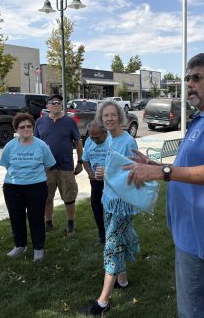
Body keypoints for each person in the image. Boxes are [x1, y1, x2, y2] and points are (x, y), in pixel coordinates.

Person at [127, 53, 204, 318]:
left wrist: (164, 173)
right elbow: (192, 164)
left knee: (193, 310)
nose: (189, 84)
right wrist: (155, 166)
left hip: (201, 236)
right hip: (189, 231)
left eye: (197, 78)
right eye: (187, 78)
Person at [80, 101, 140, 316]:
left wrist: (109, 173)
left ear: (120, 117)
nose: (109, 118)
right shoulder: (110, 140)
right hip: (109, 200)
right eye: (105, 115)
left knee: (112, 246)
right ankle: (122, 281)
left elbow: (136, 173)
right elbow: (112, 169)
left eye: (113, 115)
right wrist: (103, 174)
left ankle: (103, 302)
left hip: (122, 202)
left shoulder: (127, 140)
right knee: (116, 240)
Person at [0, 113, 56, 261]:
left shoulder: (41, 145)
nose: (26, 129)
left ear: (33, 127)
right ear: (16, 129)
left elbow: (48, 166)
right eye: (22, 127)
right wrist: (19, 178)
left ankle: (38, 248)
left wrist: (33, 177)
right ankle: (20, 245)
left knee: (36, 218)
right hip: (13, 188)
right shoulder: (10, 146)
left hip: (36, 187)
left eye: (29, 126)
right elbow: (7, 166)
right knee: (16, 218)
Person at [34, 93, 83, 235]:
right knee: (46, 198)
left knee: (69, 197)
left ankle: (70, 225)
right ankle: (48, 223)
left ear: (61, 105)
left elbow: (78, 142)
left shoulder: (69, 121)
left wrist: (80, 162)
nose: (56, 104)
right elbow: (35, 144)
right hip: (46, 168)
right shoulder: (40, 122)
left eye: (58, 102)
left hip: (66, 167)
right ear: (47, 106)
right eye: (53, 102)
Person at [82, 120, 108, 244]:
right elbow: (85, 160)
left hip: (111, 182)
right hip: (96, 182)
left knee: (111, 209)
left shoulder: (112, 142)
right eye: (91, 137)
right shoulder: (88, 142)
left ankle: (113, 234)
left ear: (105, 132)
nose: (94, 140)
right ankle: (102, 236)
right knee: (97, 208)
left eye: (97, 137)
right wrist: (90, 173)